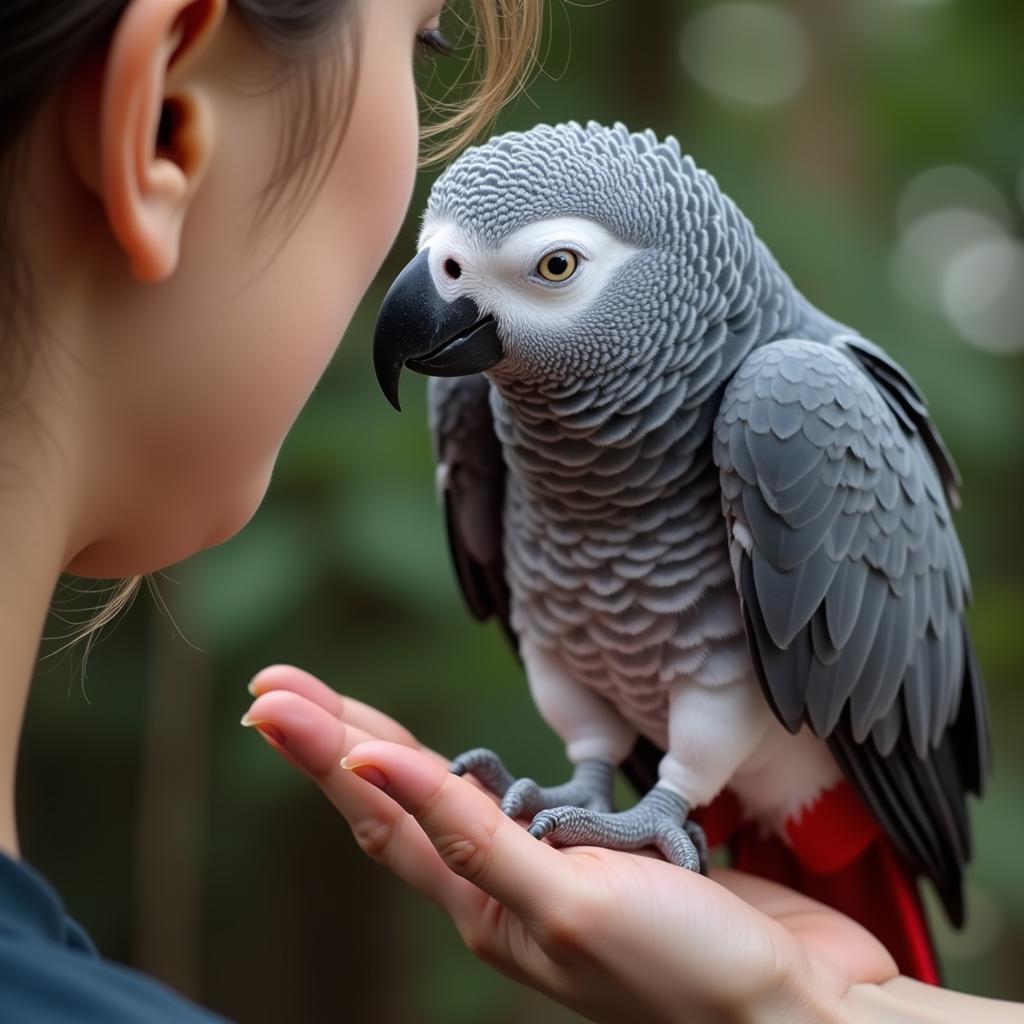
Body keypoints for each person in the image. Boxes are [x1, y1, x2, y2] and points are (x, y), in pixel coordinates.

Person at [0, 1, 1018, 1021]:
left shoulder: (798, 407)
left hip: (819, 784)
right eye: (417, 39)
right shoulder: (488, 394)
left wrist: (803, 999)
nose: (436, 284)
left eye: (556, 266)